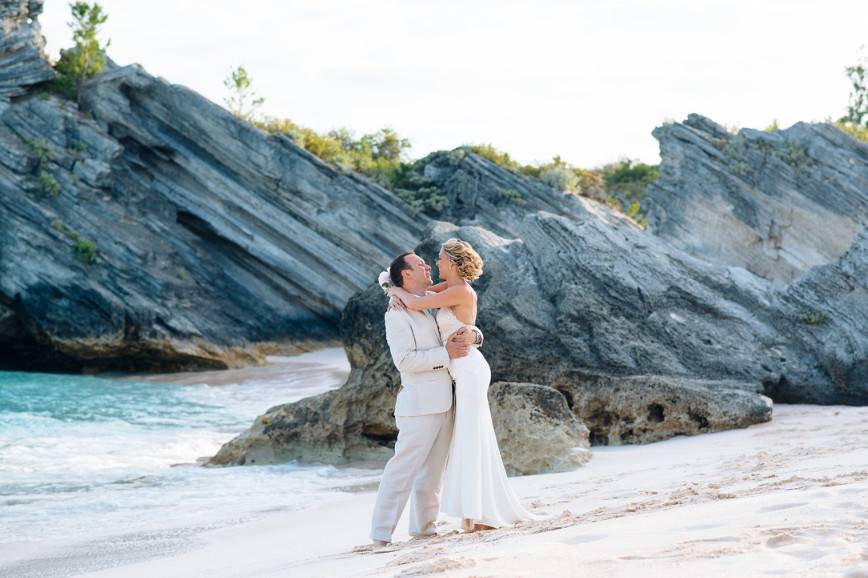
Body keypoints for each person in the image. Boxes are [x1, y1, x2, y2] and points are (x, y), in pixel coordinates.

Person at [387, 238, 537, 534]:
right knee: (471, 435)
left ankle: (480, 513)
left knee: (471, 436)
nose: (436, 264)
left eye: (440, 259)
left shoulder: (459, 290)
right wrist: (393, 288)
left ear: (453, 263)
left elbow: (416, 302)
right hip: (460, 370)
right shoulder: (449, 289)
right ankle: (476, 512)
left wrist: (391, 289)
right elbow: (421, 293)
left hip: (468, 369)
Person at [369, 250, 483, 546]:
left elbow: (463, 318)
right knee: (402, 470)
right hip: (419, 405)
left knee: (433, 473)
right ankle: (381, 533)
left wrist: (474, 337)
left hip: (448, 398)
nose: (428, 266)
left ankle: (425, 529)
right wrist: (446, 355)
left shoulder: (430, 304)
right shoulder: (396, 314)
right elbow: (404, 361)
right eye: (421, 264)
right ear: (407, 274)